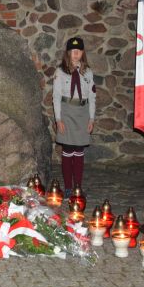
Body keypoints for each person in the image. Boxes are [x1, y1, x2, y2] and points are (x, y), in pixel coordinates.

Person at [52, 37, 96, 197]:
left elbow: (92, 97)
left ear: (82, 53)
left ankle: (78, 186)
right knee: (68, 149)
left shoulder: (88, 72)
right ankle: (68, 187)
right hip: (66, 112)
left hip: (82, 113)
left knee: (79, 150)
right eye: (73, 51)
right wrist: (58, 119)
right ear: (68, 53)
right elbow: (56, 96)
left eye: (79, 51)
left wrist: (91, 118)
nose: (76, 53)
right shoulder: (60, 72)